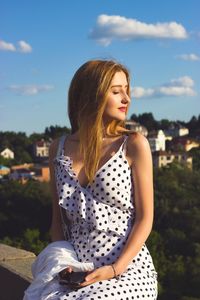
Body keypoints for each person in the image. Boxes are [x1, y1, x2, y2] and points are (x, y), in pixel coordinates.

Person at [28, 59, 158, 299]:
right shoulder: (58, 148)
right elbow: (57, 223)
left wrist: (115, 269)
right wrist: (65, 264)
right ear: (91, 94)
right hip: (76, 271)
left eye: (127, 91)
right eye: (117, 91)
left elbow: (145, 218)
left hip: (126, 269)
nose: (126, 99)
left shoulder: (133, 144)